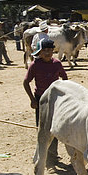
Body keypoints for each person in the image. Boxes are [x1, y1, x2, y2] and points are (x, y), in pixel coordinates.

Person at [23, 38, 68, 166]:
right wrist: (32, 100)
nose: (48, 53)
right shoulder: (35, 65)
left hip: (55, 101)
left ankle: (52, 156)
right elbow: (26, 82)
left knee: (54, 128)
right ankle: (42, 154)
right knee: (42, 129)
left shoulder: (57, 63)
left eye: (50, 50)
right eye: (44, 51)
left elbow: (64, 78)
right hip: (40, 101)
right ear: (39, 52)